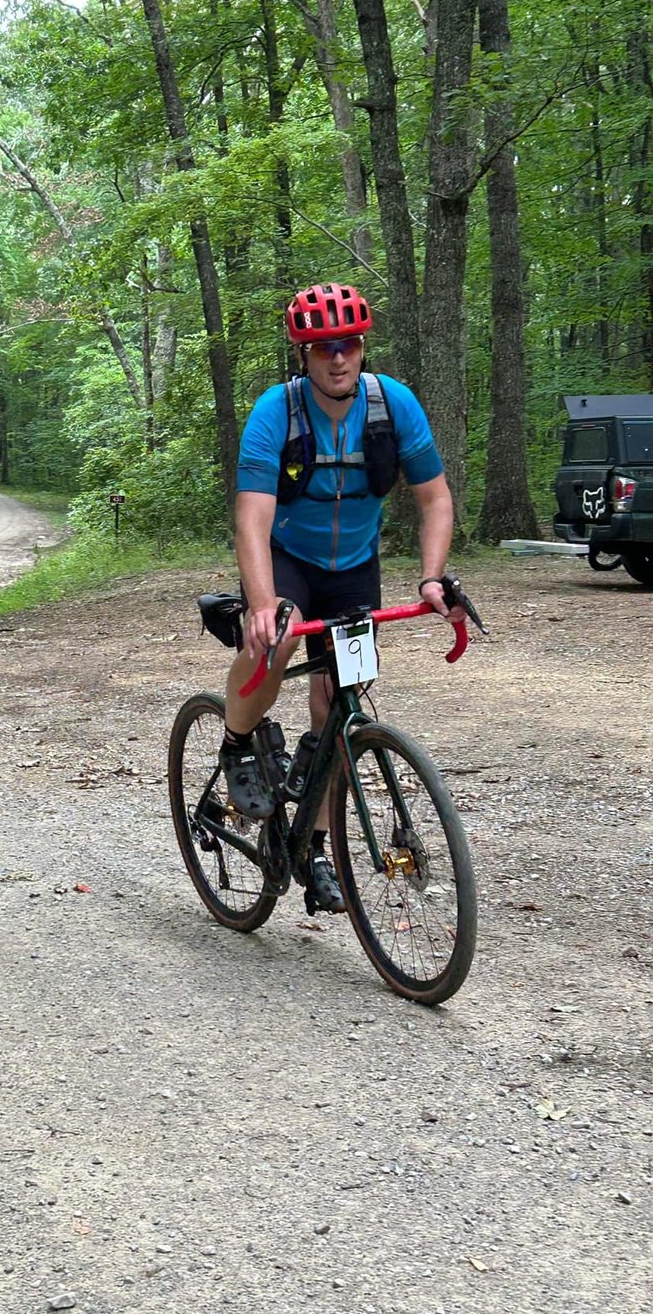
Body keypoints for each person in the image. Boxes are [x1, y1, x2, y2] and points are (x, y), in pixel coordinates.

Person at [220, 282, 462, 915]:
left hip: (355, 568)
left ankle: (315, 847)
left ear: (361, 348)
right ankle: (238, 742)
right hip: (289, 560)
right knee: (276, 638)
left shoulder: (393, 406)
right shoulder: (278, 411)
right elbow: (251, 517)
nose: (338, 358)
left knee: (339, 707)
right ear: (303, 353)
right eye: (323, 346)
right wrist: (263, 601)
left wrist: (433, 577)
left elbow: (434, 498)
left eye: (349, 344)